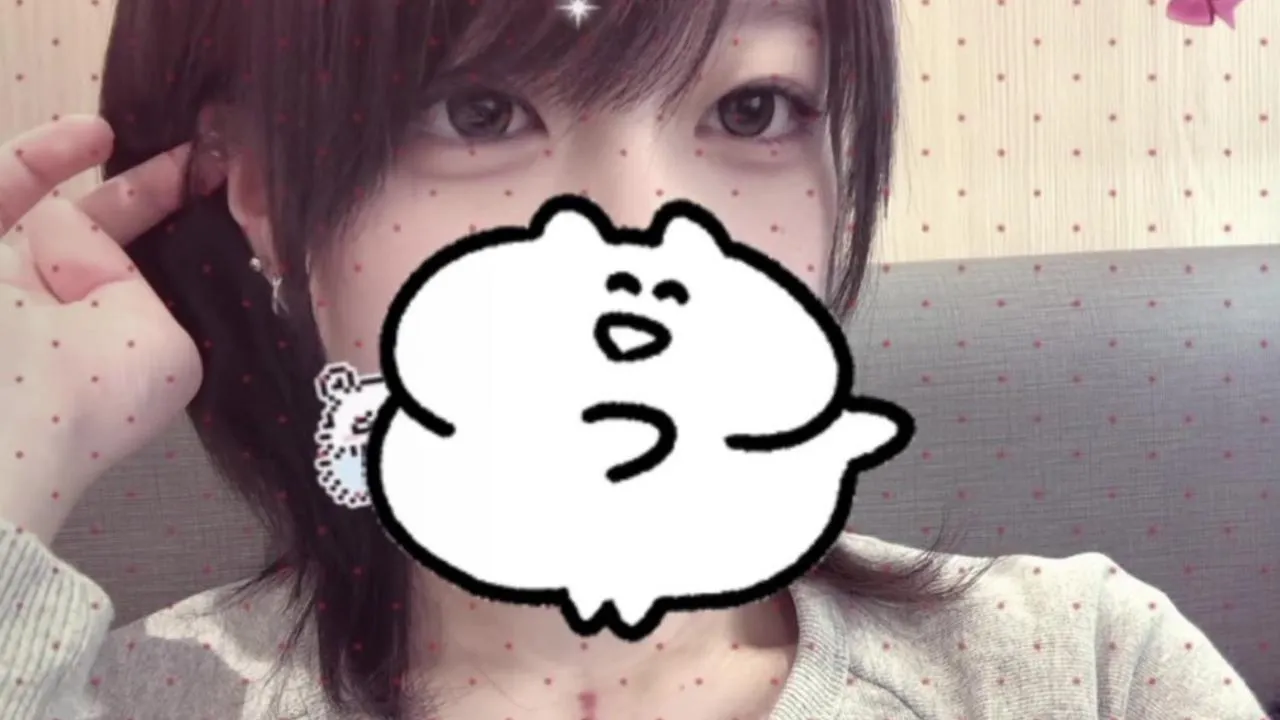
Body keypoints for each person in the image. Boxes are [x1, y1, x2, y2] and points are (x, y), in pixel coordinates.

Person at [0, 0, 1267, 718]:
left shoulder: (1084, 666)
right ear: (267, 195)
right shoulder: (128, 698)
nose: (638, 228)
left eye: (753, 109)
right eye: (479, 111)